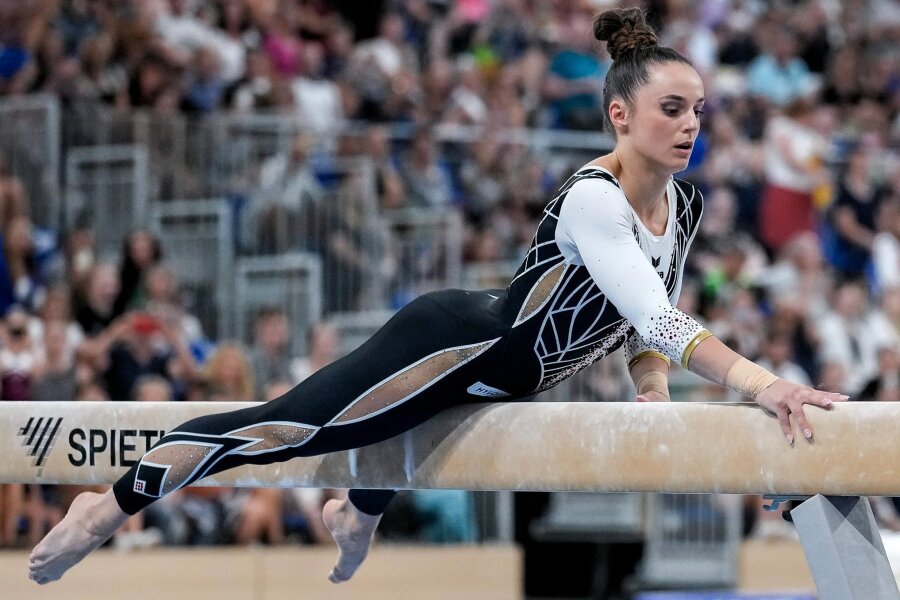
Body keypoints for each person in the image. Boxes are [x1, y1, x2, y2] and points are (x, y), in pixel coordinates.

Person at [28, 8, 845, 586]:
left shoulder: (686, 205)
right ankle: (110, 505)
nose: (691, 124)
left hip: (502, 375)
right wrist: (766, 386)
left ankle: (358, 515)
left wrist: (653, 400)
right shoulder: (596, 199)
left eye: (700, 110)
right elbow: (661, 317)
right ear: (619, 116)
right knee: (283, 431)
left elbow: (640, 325)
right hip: (452, 344)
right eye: (672, 109)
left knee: (400, 437)